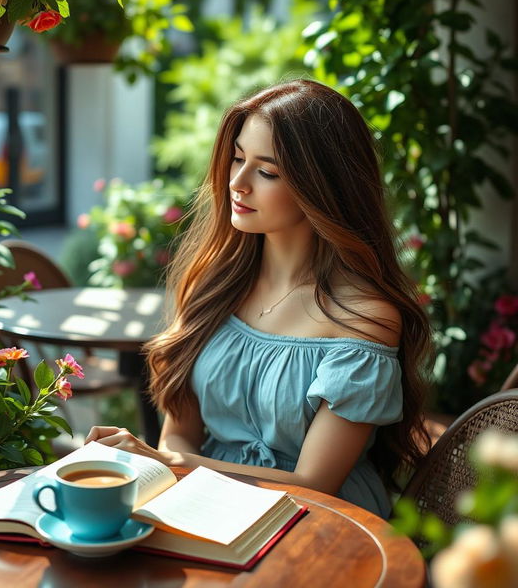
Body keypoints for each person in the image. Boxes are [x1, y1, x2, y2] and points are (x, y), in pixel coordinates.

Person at [86, 79, 432, 518]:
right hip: (205, 505)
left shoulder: (363, 317)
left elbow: (315, 485)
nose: (238, 182)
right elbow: (179, 435)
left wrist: (171, 464)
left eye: (267, 172)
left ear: (324, 188)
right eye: (237, 159)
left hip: (320, 527)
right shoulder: (213, 286)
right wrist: (166, 464)